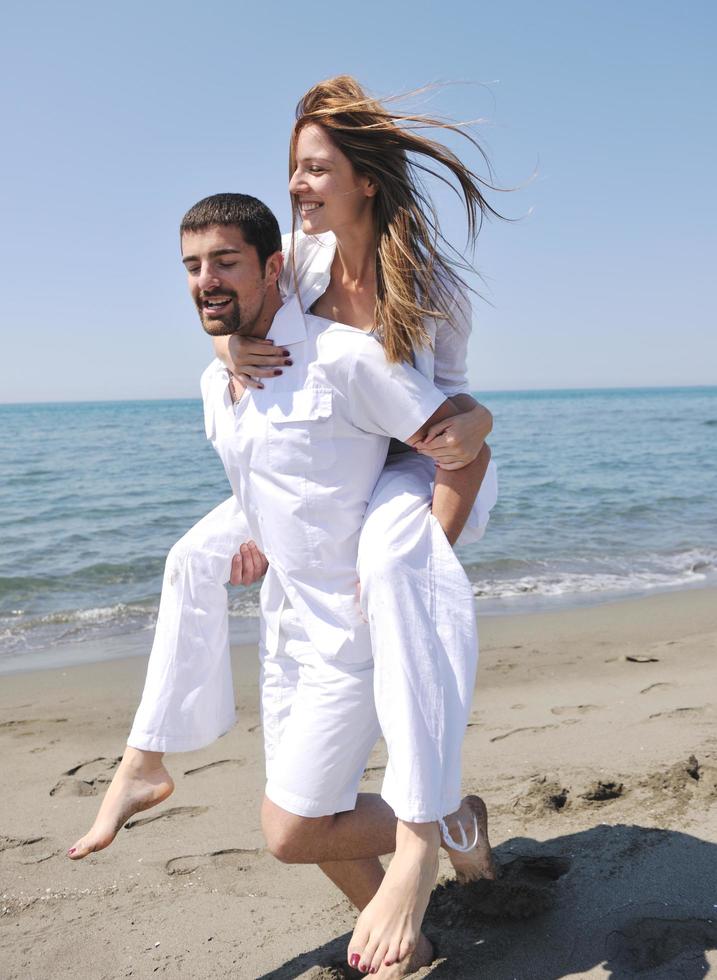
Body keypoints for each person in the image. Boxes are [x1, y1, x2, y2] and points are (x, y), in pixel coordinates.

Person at [69, 77, 500, 976]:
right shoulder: (294, 259)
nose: (299, 186)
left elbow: (456, 424)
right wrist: (227, 351)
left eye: (315, 170)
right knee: (193, 554)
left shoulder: (422, 292)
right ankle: (146, 757)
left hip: (415, 464)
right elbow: (236, 292)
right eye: (292, 169)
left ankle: (423, 833)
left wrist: (421, 566)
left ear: (365, 180)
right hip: (332, 471)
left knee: (388, 562)